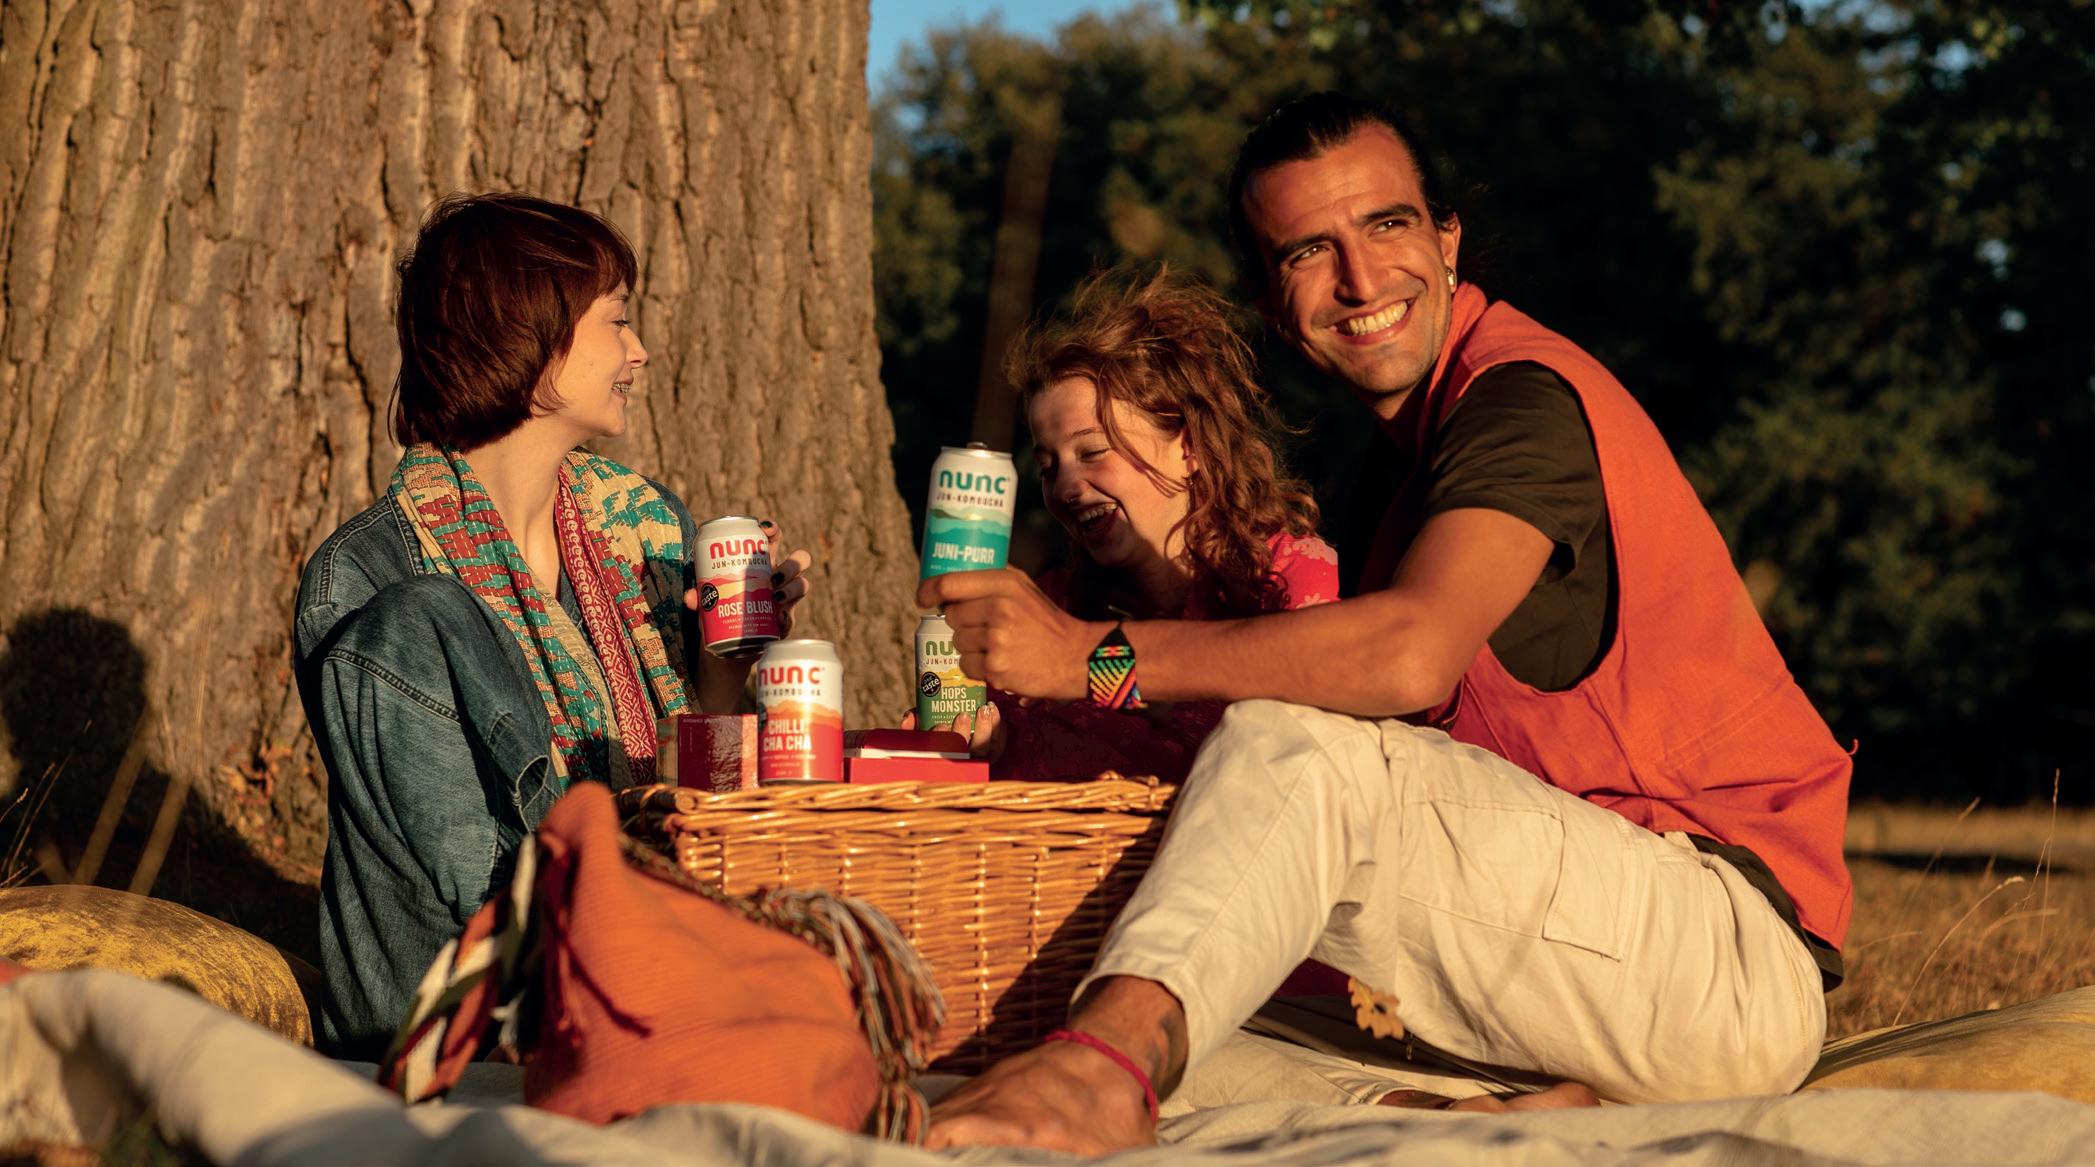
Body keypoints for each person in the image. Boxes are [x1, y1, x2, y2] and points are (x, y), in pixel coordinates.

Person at [920, 92, 1852, 1153]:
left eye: (1386, 224)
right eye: (1309, 251)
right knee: (1177, 1028)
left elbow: (1410, 656)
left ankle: (1099, 1072)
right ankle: (1464, 1124)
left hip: (1718, 956)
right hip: (1558, 981)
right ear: (1273, 299)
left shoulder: (1522, 401)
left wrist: (1090, 659)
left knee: (1290, 739)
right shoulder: (1392, 479)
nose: (1360, 280)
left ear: (1447, 239)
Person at [292, 193, 812, 1059]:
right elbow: (453, 868)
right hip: (454, 1007)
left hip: (632, 968)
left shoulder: (643, 530)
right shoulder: (368, 575)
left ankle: (637, 967)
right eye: (618, 320)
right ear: (529, 340)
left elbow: (706, 806)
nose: (639, 351)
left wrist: (729, 663)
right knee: (422, 618)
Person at [911, 267, 1339, 786]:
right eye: (1047, 467)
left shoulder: (1286, 573)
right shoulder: (1051, 603)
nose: (1066, 487)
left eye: (1093, 451)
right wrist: (985, 743)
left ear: (1189, 449)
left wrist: (1084, 670)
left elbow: (1276, 740)